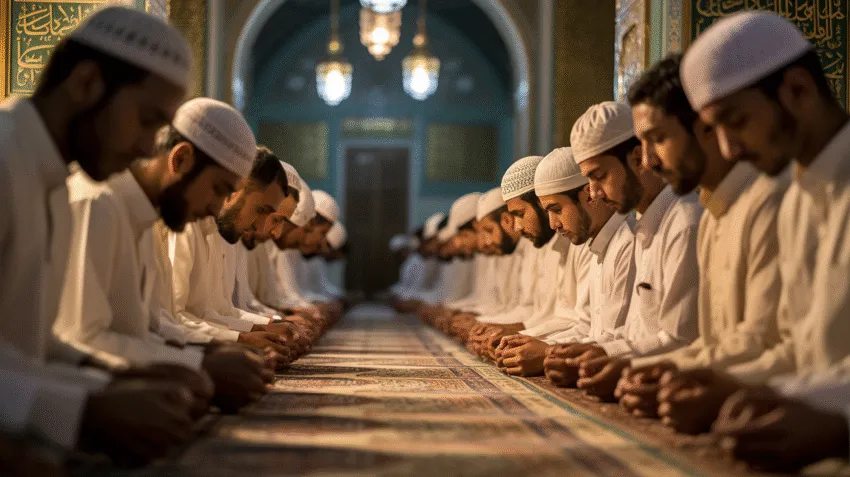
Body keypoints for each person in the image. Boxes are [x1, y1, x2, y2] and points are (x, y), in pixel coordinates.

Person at [0, 6, 199, 461]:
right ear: (86, 82)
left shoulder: (54, 184)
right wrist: (84, 411)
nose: (147, 147)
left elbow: (28, 350)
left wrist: (117, 379)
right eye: (146, 120)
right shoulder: (4, 157)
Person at [677, 12, 850, 470]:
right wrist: (731, 386)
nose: (729, 150)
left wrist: (840, 421)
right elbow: (799, 351)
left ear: (798, 90)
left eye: (736, 121)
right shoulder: (796, 202)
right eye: (715, 131)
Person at [54, 97, 275, 413]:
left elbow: (151, 331)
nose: (217, 209)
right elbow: (83, 339)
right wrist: (198, 365)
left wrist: (214, 353)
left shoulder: (147, 218)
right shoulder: (98, 204)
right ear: (181, 159)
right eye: (218, 189)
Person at [614, 53, 788, 427]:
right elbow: (714, 345)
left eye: (658, 139)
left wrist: (686, 376)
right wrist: (654, 370)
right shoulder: (713, 214)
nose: (648, 162)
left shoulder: (769, 201)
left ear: (706, 127)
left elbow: (768, 344)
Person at [551, 101, 701, 401]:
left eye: (599, 177)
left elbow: (680, 339)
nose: (594, 194)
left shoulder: (684, 223)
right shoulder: (644, 225)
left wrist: (614, 359)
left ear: (637, 159)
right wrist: (594, 352)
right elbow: (635, 332)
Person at [499, 147, 630, 377]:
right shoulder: (596, 243)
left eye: (556, 209)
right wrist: (528, 341)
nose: (553, 224)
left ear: (588, 195)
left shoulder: (625, 240)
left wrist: (546, 351)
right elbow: (588, 327)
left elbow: (617, 337)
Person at [170, 147, 295, 367]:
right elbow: (171, 320)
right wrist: (242, 340)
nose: (263, 228)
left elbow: (217, 312)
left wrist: (260, 331)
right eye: (262, 211)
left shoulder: (224, 232)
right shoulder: (186, 224)